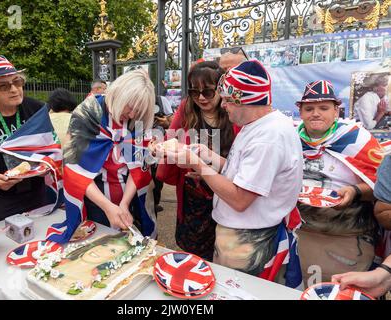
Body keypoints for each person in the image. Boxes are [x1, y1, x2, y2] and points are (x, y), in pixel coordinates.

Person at [162, 60, 303, 287]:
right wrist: (210, 156)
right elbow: (240, 171)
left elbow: (239, 199)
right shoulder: (258, 125)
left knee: (237, 290)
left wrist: (198, 164)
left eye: (227, 100)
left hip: (249, 240)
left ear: (246, 101)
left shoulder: (268, 138)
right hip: (242, 235)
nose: (224, 106)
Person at [47, 69, 156, 244]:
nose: (133, 115)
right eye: (130, 107)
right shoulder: (88, 112)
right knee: (99, 246)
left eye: (139, 110)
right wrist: (107, 207)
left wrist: (124, 204)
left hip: (130, 195)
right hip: (95, 197)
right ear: (119, 94)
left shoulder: (138, 119)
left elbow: (139, 166)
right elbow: (74, 169)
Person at [296, 80, 382, 287]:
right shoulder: (289, 138)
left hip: (345, 236)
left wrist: (354, 191)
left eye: (323, 108)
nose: (315, 113)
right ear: (300, 112)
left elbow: (381, 188)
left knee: (339, 289)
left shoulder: (357, 139)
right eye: (309, 108)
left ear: (336, 111)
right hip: (299, 231)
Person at [0, 55, 63, 224]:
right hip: (0, 197)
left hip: (37, 189)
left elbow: (50, 146)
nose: (14, 89)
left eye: (17, 82)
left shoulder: (36, 109)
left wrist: (45, 165)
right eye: (4, 86)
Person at [155, 61, 239, 261]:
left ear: (220, 88)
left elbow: (241, 162)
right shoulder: (187, 108)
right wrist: (163, 149)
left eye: (208, 92)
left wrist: (207, 165)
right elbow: (171, 140)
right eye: (194, 92)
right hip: (193, 195)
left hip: (225, 192)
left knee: (223, 251)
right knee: (191, 251)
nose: (201, 97)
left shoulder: (234, 112)